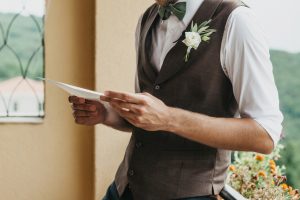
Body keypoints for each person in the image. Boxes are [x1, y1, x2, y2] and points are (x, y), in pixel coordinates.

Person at [68, 0, 283, 199]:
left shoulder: (237, 21)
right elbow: (148, 119)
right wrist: (106, 114)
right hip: (123, 188)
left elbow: (264, 135)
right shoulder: (147, 19)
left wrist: (170, 118)